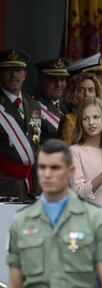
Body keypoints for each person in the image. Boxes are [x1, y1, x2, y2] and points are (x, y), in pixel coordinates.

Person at [7, 139, 102, 287]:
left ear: (70, 171)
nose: (47, 174)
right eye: (42, 167)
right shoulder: (21, 221)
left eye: (55, 168)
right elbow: (15, 281)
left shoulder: (97, 219)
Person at [0, 49, 43, 201]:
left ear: (25, 74)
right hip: (5, 188)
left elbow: (36, 146)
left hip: (30, 187)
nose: (14, 75)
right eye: (8, 70)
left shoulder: (34, 105)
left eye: (18, 70)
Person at [71, 97, 102, 206]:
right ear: (80, 122)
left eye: (96, 117)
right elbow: (78, 193)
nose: (91, 122)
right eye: (85, 119)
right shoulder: (74, 152)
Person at [58, 72, 102, 145]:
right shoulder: (69, 120)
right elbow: (67, 153)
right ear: (73, 94)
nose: (87, 94)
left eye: (91, 90)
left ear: (97, 93)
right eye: (81, 90)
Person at [34, 57, 70, 141]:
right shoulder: (31, 105)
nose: (58, 84)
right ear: (40, 80)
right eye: (52, 79)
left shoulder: (66, 105)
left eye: (62, 79)